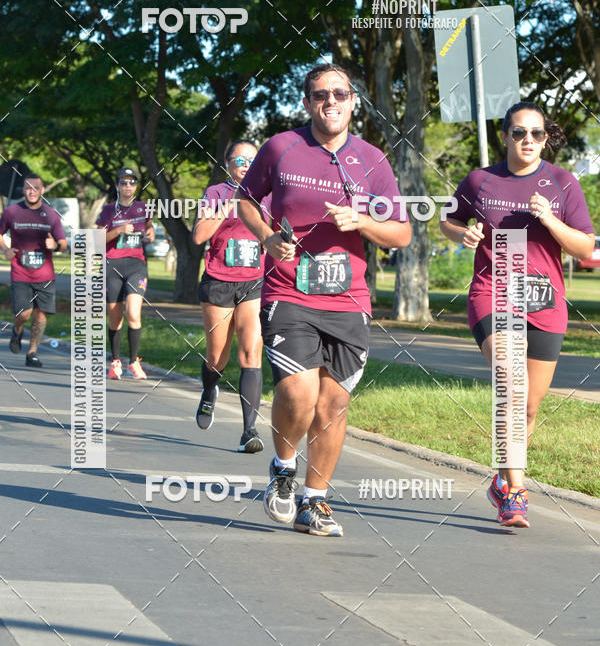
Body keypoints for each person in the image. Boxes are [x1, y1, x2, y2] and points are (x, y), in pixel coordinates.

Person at [235, 62, 411, 537]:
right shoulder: (281, 148)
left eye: (339, 93)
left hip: (349, 298)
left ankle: (315, 501)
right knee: (298, 392)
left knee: (332, 404)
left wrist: (364, 223)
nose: (330, 101)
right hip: (289, 289)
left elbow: (401, 233)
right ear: (307, 102)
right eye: (319, 94)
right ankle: (283, 467)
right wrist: (268, 238)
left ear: (353, 101)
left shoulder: (372, 159)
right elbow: (246, 200)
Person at [441, 101, 595, 528]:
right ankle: (516, 493)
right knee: (510, 383)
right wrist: (464, 232)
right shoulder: (481, 180)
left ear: (545, 139)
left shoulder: (562, 183)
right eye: (519, 132)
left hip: (545, 301)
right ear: (505, 136)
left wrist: (550, 220)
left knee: (527, 407)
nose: (528, 140)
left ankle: (501, 479)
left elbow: (584, 247)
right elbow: (447, 221)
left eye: (537, 133)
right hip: (494, 292)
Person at [192, 139, 266, 453]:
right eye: (240, 160)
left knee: (251, 353)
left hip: (254, 282)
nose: (247, 166)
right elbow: (199, 235)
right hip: (219, 282)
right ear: (227, 164)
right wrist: (229, 204)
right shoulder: (215, 193)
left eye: (253, 160)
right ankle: (210, 390)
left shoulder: (267, 194)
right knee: (216, 357)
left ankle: (249, 431)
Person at [0, 174, 66, 367]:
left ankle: (32, 353)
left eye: (35, 188)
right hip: (20, 271)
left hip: (45, 273)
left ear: (42, 190)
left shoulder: (51, 214)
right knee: (24, 313)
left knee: (40, 314)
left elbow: (63, 243)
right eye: (28, 188)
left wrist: (55, 245)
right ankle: (18, 329)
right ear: (23, 190)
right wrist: (5, 249)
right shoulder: (12, 212)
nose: (31, 191)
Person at [96, 167, 154, 379]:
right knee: (115, 317)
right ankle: (115, 362)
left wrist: (150, 233)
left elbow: (149, 228)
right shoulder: (109, 210)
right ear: (117, 186)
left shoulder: (144, 208)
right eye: (124, 182)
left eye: (132, 182)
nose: (128, 186)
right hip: (112, 265)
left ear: (137, 185)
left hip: (136, 265)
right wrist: (119, 231)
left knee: (134, 313)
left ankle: (134, 362)